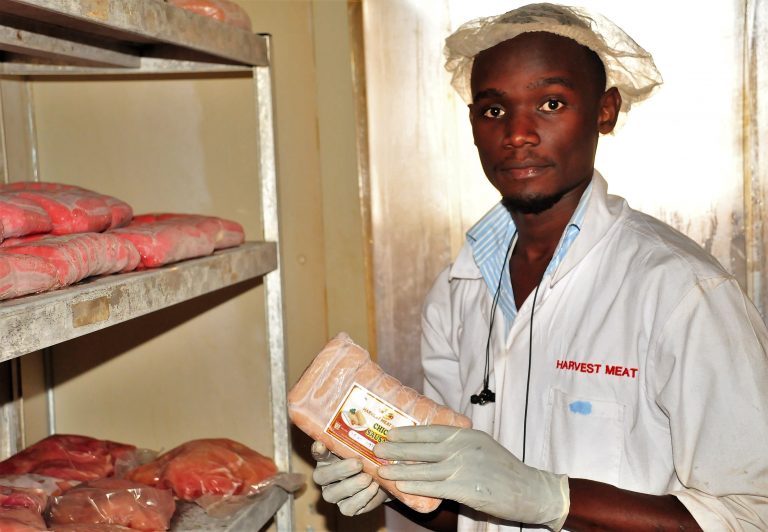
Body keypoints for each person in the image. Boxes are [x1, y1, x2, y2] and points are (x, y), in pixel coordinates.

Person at [311, 3, 768, 530]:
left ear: (605, 110)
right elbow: (464, 509)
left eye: (551, 102)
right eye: (493, 110)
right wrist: (386, 479)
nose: (518, 133)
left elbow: (751, 514)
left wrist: (552, 499)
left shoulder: (683, 292)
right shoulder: (458, 292)